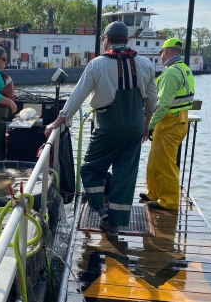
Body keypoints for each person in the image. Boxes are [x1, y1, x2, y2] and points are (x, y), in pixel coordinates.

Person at [45, 21, 157, 237]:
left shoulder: (97, 64)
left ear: (107, 40)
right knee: (126, 174)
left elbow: (77, 96)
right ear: (127, 40)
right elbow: (152, 100)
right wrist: (146, 123)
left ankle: (102, 213)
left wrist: (57, 122)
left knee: (90, 169)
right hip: (134, 127)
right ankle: (116, 224)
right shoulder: (146, 65)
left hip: (108, 128)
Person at [141, 38, 195, 210]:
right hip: (177, 119)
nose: (161, 56)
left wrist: (150, 125)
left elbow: (163, 103)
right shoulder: (184, 68)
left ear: (165, 51)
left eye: (161, 53)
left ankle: (169, 201)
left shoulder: (171, 73)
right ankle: (154, 194)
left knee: (165, 163)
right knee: (155, 160)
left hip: (169, 123)